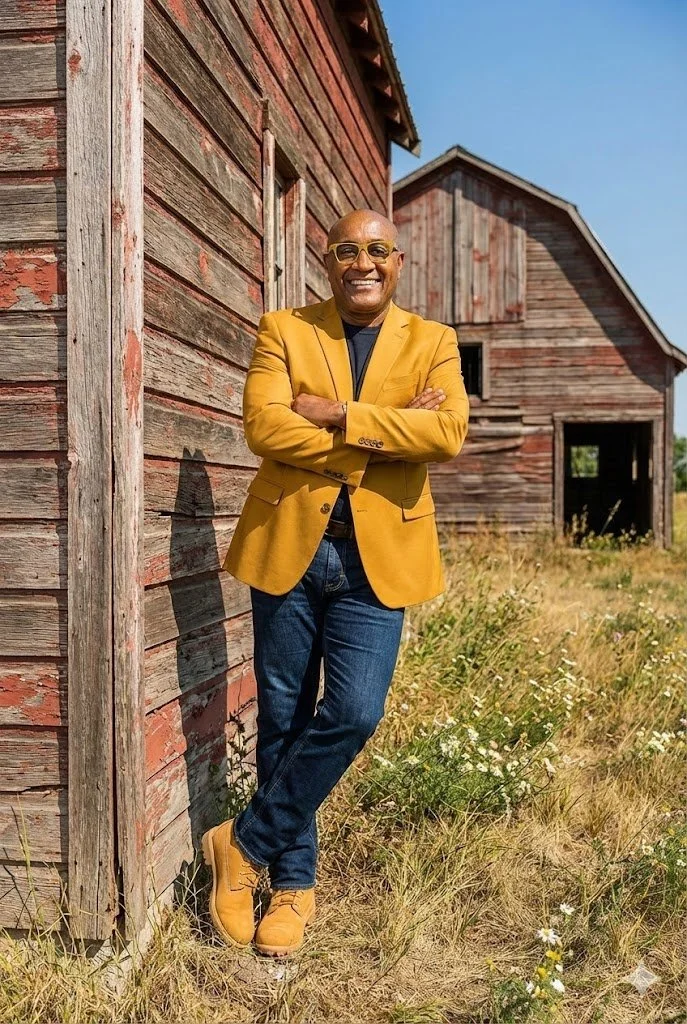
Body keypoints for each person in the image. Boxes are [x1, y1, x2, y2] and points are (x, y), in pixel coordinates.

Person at [201, 208, 470, 956]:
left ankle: (241, 846)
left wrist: (337, 413)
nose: (363, 262)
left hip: (374, 563)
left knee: (353, 710)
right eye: (348, 249)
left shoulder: (433, 343)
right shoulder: (284, 329)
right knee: (284, 717)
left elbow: (445, 435)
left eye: (377, 249)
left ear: (398, 260)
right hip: (289, 544)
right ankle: (292, 884)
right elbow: (265, 428)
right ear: (327, 259)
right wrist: (383, 431)